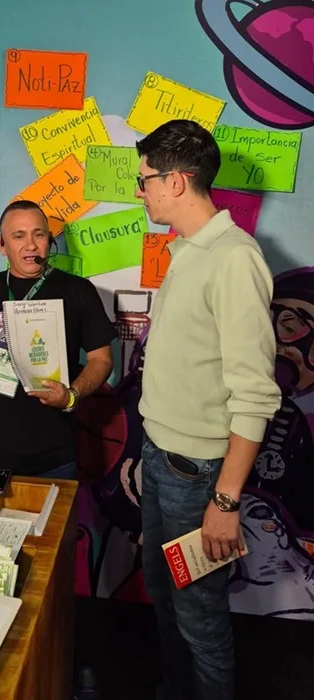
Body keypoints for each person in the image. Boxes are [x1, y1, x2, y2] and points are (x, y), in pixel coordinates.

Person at [135, 119, 281, 700]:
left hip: (196, 475)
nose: (140, 192)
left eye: (145, 180)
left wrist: (225, 501)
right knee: (163, 594)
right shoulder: (188, 250)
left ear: (176, 181)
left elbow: (255, 396)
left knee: (199, 615)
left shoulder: (233, 258)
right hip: (159, 456)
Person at [0, 200, 115, 479]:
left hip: (54, 457)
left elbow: (102, 359)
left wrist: (71, 396)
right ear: (1, 245)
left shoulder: (78, 291)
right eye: (18, 236)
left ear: (49, 240)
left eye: (39, 234)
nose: (31, 245)